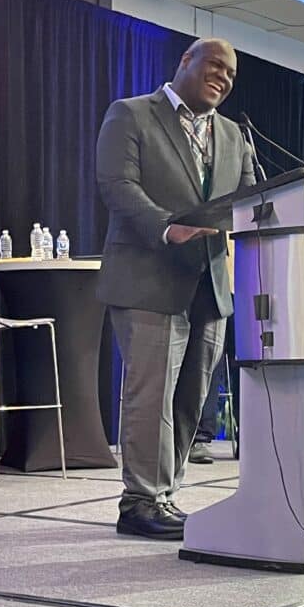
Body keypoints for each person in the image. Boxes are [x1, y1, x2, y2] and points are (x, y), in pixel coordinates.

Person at [96, 37, 254, 540]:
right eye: (215, 65)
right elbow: (117, 184)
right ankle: (139, 500)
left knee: (190, 401)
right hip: (149, 275)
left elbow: (253, 200)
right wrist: (168, 227)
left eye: (231, 74)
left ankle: (166, 494)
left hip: (211, 285)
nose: (223, 77)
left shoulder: (234, 135)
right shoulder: (132, 114)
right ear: (185, 61)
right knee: (151, 397)